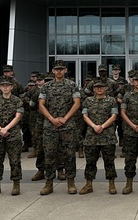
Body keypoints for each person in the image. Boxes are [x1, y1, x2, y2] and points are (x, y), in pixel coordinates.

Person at [38, 60, 81, 195]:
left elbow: (77, 103)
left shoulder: (72, 85)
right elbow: (41, 104)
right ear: (53, 71)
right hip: (50, 126)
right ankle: (48, 183)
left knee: (69, 154)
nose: (59, 72)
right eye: (56, 69)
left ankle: (71, 182)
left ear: (65, 70)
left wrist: (65, 118)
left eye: (61, 69)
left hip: (67, 125)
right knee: (49, 154)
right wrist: (52, 119)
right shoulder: (46, 87)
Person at [80, 78, 120, 194]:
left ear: (106, 88)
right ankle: (88, 184)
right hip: (92, 136)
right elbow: (85, 116)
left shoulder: (111, 100)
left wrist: (102, 126)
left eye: (101, 87)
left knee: (109, 162)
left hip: (107, 136)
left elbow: (113, 116)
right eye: (96, 87)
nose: (99, 89)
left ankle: (111, 184)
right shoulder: (88, 101)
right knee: (90, 162)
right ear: (93, 89)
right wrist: (94, 126)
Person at [0, 76, 24, 195]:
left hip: (13, 134)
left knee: (14, 160)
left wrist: (6, 128)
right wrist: (0, 129)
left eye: (7, 85)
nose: (5, 87)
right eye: (3, 85)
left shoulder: (17, 101)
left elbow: (18, 116)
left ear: (12, 87)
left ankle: (16, 184)